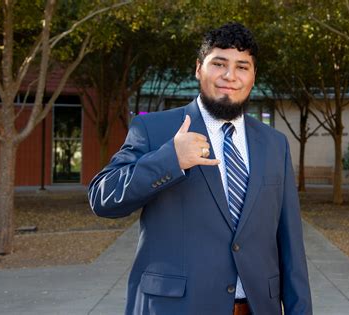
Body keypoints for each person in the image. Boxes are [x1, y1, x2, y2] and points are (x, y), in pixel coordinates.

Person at [88, 22, 312, 315]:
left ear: (253, 75)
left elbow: (291, 243)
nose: (230, 76)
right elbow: (101, 199)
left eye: (242, 67)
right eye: (218, 64)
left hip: (256, 307)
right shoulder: (155, 128)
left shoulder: (275, 144)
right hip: (176, 307)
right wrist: (170, 159)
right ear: (198, 69)